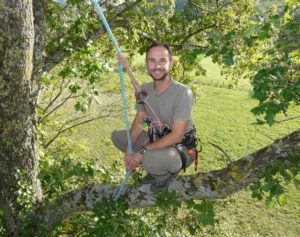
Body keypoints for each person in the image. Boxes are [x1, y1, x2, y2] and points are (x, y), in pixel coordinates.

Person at [111, 42, 196, 191]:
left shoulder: (182, 92)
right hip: (156, 135)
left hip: (180, 148)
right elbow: (139, 123)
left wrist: (142, 152)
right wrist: (129, 149)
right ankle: (154, 163)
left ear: (171, 63)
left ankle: (163, 178)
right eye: (152, 61)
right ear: (146, 63)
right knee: (117, 137)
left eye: (162, 61)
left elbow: (176, 136)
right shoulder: (145, 89)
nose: (157, 66)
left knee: (147, 158)